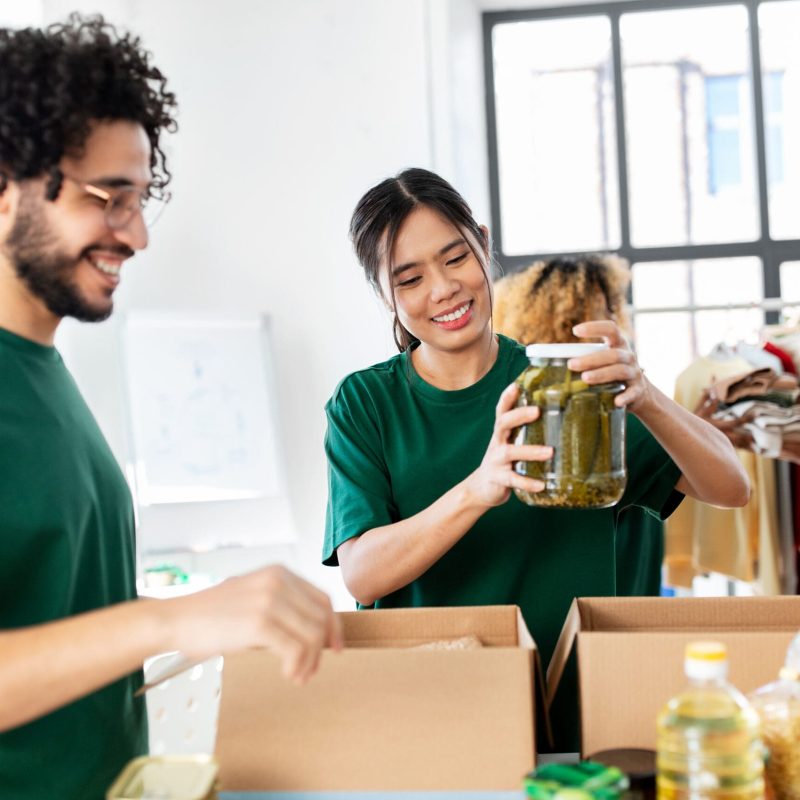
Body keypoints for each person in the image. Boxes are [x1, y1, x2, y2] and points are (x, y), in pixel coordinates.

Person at [0, 16, 341, 800]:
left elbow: (58, 615)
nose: (138, 235)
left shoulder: (45, 370)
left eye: (140, 200)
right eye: (109, 200)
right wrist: (172, 624)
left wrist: (217, 613)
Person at [321, 167, 749, 749]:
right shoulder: (366, 403)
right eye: (410, 278)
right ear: (383, 294)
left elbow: (731, 485)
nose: (443, 288)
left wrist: (645, 396)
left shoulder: (564, 385)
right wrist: (479, 487)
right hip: (432, 716)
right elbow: (362, 571)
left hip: (577, 714)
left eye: (454, 258)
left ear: (484, 244)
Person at [493, 254, 664, 596]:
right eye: (606, 310)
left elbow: (731, 486)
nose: (616, 323)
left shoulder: (621, 397)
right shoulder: (536, 402)